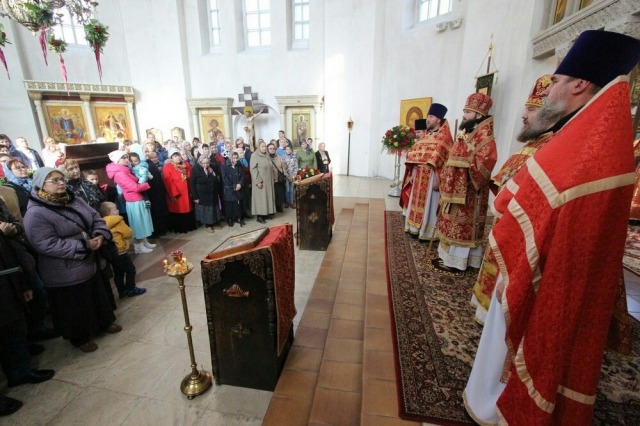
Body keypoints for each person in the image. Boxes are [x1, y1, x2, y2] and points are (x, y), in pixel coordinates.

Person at [463, 31, 640, 425]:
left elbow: (532, 198)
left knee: (528, 347)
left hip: (546, 274)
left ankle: (498, 405)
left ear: (579, 84)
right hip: (543, 263)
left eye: (556, 81)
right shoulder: (587, 134)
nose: (546, 94)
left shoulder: (591, 147)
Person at [470, 75, 554, 325]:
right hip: (507, 228)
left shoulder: (550, 146)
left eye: (530, 109)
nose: (523, 115)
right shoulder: (536, 143)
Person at [24, 167, 122, 353]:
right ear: (41, 185)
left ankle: (103, 322)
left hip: (90, 260)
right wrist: (83, 246)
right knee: (74, 304)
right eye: (54, 180)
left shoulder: (74, 199)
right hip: (65, 268)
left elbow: (95, 218)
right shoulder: (36, 213)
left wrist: (100, 235)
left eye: (62, 179)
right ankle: (80, 337)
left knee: (96, 294)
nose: (61, 183)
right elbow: (44, 243)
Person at [437, 93, 497, 271]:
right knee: (450, 222)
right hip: (456, 187)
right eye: (464, 110)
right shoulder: (467, 131)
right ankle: (448, 257)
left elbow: (487, 160)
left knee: (463, 225)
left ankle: (462, 261)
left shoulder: (485, 135)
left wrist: (463, 165)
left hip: (470, 191)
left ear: (479, 115)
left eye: (468, 112)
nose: (463, 114)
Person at [0, 230, 54, 413]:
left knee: (14, 329)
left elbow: (7, 254)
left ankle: (19, 372)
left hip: (7, 285)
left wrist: (22, 284)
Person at [401, 105, 453, 240]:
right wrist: (413, 173)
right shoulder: (425, 137)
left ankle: (427, 232)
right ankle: (414, 227)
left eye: (431, 117)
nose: (427, 120)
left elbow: (447, 161)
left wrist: (439, 179)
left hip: (432, 177)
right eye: (428, 117)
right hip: (419, 176)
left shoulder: (444, 139)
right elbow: (415, 156)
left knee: (430, 204)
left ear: (439, 120)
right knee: (416, 202)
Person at [106, 151, 156, 254]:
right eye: (123, 158)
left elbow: (136, 180)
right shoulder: (120, 173)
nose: (126, 159)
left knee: (143, 221)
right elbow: (135, 187)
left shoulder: (124, 169)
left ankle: (144, 241)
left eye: (126, 157)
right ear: (117, 160)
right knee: (138, 223)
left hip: (137, 197)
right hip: (134, 200)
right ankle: (139, 246)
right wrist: (146, 184)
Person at [98, 202, 146, 298]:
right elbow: (128, 233)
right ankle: (131, 289)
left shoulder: (101, 222)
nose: (118, 211)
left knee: (118, 273)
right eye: (115, 209)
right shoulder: (118, 221)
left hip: (111, 251)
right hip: (121, 250)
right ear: (108, 213)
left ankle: (122, 291)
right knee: (130, 270)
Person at [163, 149, 196, 233]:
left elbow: (191, 178)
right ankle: (181, 228)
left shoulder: (186, 164)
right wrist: (173, 194)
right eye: (175, 156)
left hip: (187, 192)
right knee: (179, 210)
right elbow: (168, 181)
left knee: (188, 209)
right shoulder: (168, 167)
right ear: (171, 158)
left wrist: (192, 191)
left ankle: (189, 226)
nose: (178, 158)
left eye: (178, 155)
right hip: (177, 194)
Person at [190, 155, 222, 232]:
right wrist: (195, 197)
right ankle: (208, 225)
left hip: (212, 193)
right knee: (206, 210)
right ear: (200, 162)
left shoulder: (211, 168)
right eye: (203, 163)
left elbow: (215, 180)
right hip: (202, 194)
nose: (205, 165)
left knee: (213, 209)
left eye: (207, 163)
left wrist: (217, 192)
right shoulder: (196, 169)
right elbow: (192, 183)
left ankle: (214, 223)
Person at [250, 140, 275, 224]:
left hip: (268, 180)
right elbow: (253, 169)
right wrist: (258, 181)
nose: (264, 148)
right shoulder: (254, 156)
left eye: (265, 146)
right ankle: (260, 216)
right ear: (258, 147)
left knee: (267, 198)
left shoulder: (266, 155)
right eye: (262, 146)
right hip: (261, 181)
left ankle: (266, 214)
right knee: (260, 199)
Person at [221, 151, 245, 227]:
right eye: (233, 158)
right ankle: (230, 219)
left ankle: (238, 217)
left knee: (237, 204)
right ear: (230, 158)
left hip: (238, 187)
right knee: (230, 205)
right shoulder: (224, 165)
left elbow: (242, 175)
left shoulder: (239, 164)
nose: (235, 160)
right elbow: (225, 178)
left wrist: (240, 183)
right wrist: (234, 186)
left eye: (236, 158)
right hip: (229, 188)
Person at [268, 143, 286, 213]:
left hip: (279, 179)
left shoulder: (279, 157)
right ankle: (273, 208)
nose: (272, 150)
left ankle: (279, 206)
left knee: (279, 193)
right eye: (270, 149)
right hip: (271, 179)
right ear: (268, 150)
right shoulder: (267, 158)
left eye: (273, 148)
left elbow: (283, 167)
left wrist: (285, 175)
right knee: (273, 195)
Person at [237, 147, 253, 217]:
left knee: (247, 198)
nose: (242, 153)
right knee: (243, 199)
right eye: (240, 153)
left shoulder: (245, 160)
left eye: (242, 152)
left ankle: (246, 212)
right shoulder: (238, 162)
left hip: (246, 181)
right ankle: (242, 214)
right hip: (241, 183)